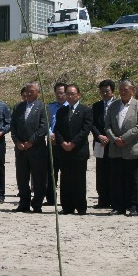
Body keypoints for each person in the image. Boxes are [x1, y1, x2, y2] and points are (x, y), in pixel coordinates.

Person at [105, 79, 138, 216]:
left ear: (132, 91)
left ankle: (133, 206)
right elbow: (107, 126)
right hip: (116, 148)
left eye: (126, 89)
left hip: (132, 148)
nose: (123, 92)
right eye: (121, 89)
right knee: (117, 179)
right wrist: (115, 139)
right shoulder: (113, 106)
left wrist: (125, 138)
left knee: (133, 179)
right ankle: (118, 206)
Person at [54, 84, 93, 215]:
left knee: (79, 180)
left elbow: (85, 130)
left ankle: (81, 206)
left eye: (72, 94)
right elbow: (57, 130)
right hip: (64, 151)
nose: (70, 96)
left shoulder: (85, 110)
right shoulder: (61, 111)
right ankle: (67, 206)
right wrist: (63, 143)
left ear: (79, 95)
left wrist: (73, 143)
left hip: (79, 151)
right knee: (65, 180)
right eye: (68, 94)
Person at [10, 81, 49, 213]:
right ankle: (24, 203)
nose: (29, 94)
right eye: (27, 91)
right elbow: (13, 127)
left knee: (38, 178)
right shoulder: (18, 107)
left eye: (32, 91)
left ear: (37, 92)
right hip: (21, 149)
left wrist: (31, 142)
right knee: (22, 177)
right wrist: (17, 142)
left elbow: (43, 127)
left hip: (37, 148)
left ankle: (37, 204)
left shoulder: (43, 107)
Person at [91, 79, 116, 208]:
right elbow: (92, 123)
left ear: (112, 91)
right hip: (99, 143)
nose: (104, 94)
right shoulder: (96, 106)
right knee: (101, 171)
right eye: (102, 92)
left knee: (113, 170)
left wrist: (110, 137)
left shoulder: (118, 105)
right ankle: (102, 199)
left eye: (106, 91)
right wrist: (99, 135)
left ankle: (114, 198)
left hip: (113, 143)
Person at [45, 82, 68, 205]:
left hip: (64, 143)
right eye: (58, 93)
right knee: (51, 172)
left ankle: (65, 199)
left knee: (65, 172)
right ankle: (50, 199)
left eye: (63, 93)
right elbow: (46, 122)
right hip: (51, 143)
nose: (60, 95)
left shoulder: (70, 107)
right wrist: (49, 133)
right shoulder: (50, 107)